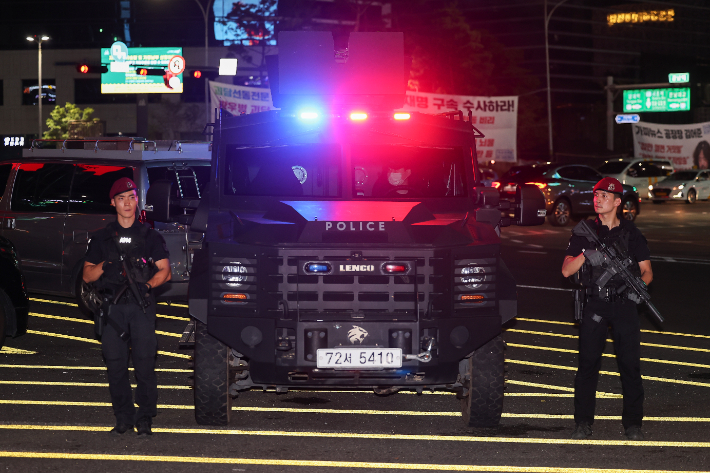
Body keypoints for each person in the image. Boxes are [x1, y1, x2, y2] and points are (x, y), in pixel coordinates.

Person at [561, 177, 653, 441]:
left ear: (617, 202)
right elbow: (566, 269)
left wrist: (638, 290)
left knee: (630, 366)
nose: (598, 199)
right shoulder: (585, 232)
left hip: (624, 306)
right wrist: (587, 254)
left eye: (604, 196)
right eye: (596, 195)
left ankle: (633, 424)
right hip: (595, 305)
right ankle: (582, 423)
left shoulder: (632, 234)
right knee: (588, 366)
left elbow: (647, 272)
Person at [83, 177, 171, 436]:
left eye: (131, 197)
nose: (127, 203)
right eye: (121, 198)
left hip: (141, 306)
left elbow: (165, 271)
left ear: (137, 200)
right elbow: (87, 275)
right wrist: (105, 265)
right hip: (113, 309)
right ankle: (123, 418)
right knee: (115, 365)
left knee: (145, 365)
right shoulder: (101, 238)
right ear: (113, 203)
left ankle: (144, 418)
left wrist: (147, 285)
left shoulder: (150, 236)